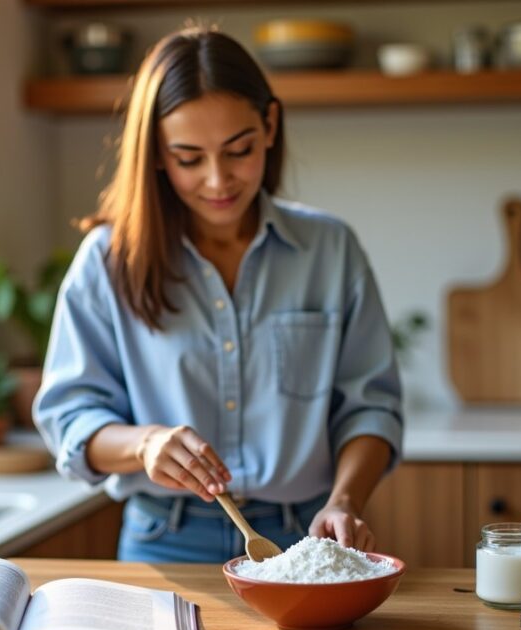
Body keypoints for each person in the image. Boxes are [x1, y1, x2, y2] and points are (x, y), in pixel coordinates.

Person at [33, 26, 403, 563]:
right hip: (165, 539)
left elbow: (372, 409)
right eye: (188, 158)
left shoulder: (331, 249)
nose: (217, 180)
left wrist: (344, 499)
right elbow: (69, 419)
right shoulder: (109, 259)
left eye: (239, 150)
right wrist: (145, 444)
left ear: (270, 126)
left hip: (306, 535)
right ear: (157, 154)